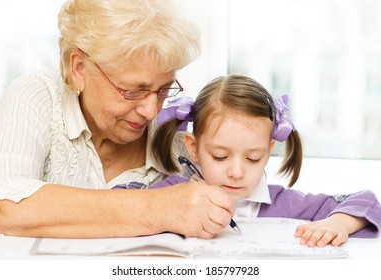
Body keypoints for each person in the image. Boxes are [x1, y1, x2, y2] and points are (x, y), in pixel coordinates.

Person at [0, 0, 236, 239]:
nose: (151, 112)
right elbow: (4, 208)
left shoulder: (177, 141)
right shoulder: (37, 97)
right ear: (79, 68)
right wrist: (158, 208)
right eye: (133, 90)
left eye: (163, 89)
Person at [123, 74, 380, 247]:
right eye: (220, 156)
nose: (236, 172)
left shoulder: (284, 204)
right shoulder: (171, 193)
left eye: (253, 158)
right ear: (193, 148)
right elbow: (116, 205)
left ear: (268, 151)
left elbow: (365, 202)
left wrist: (337, 224)